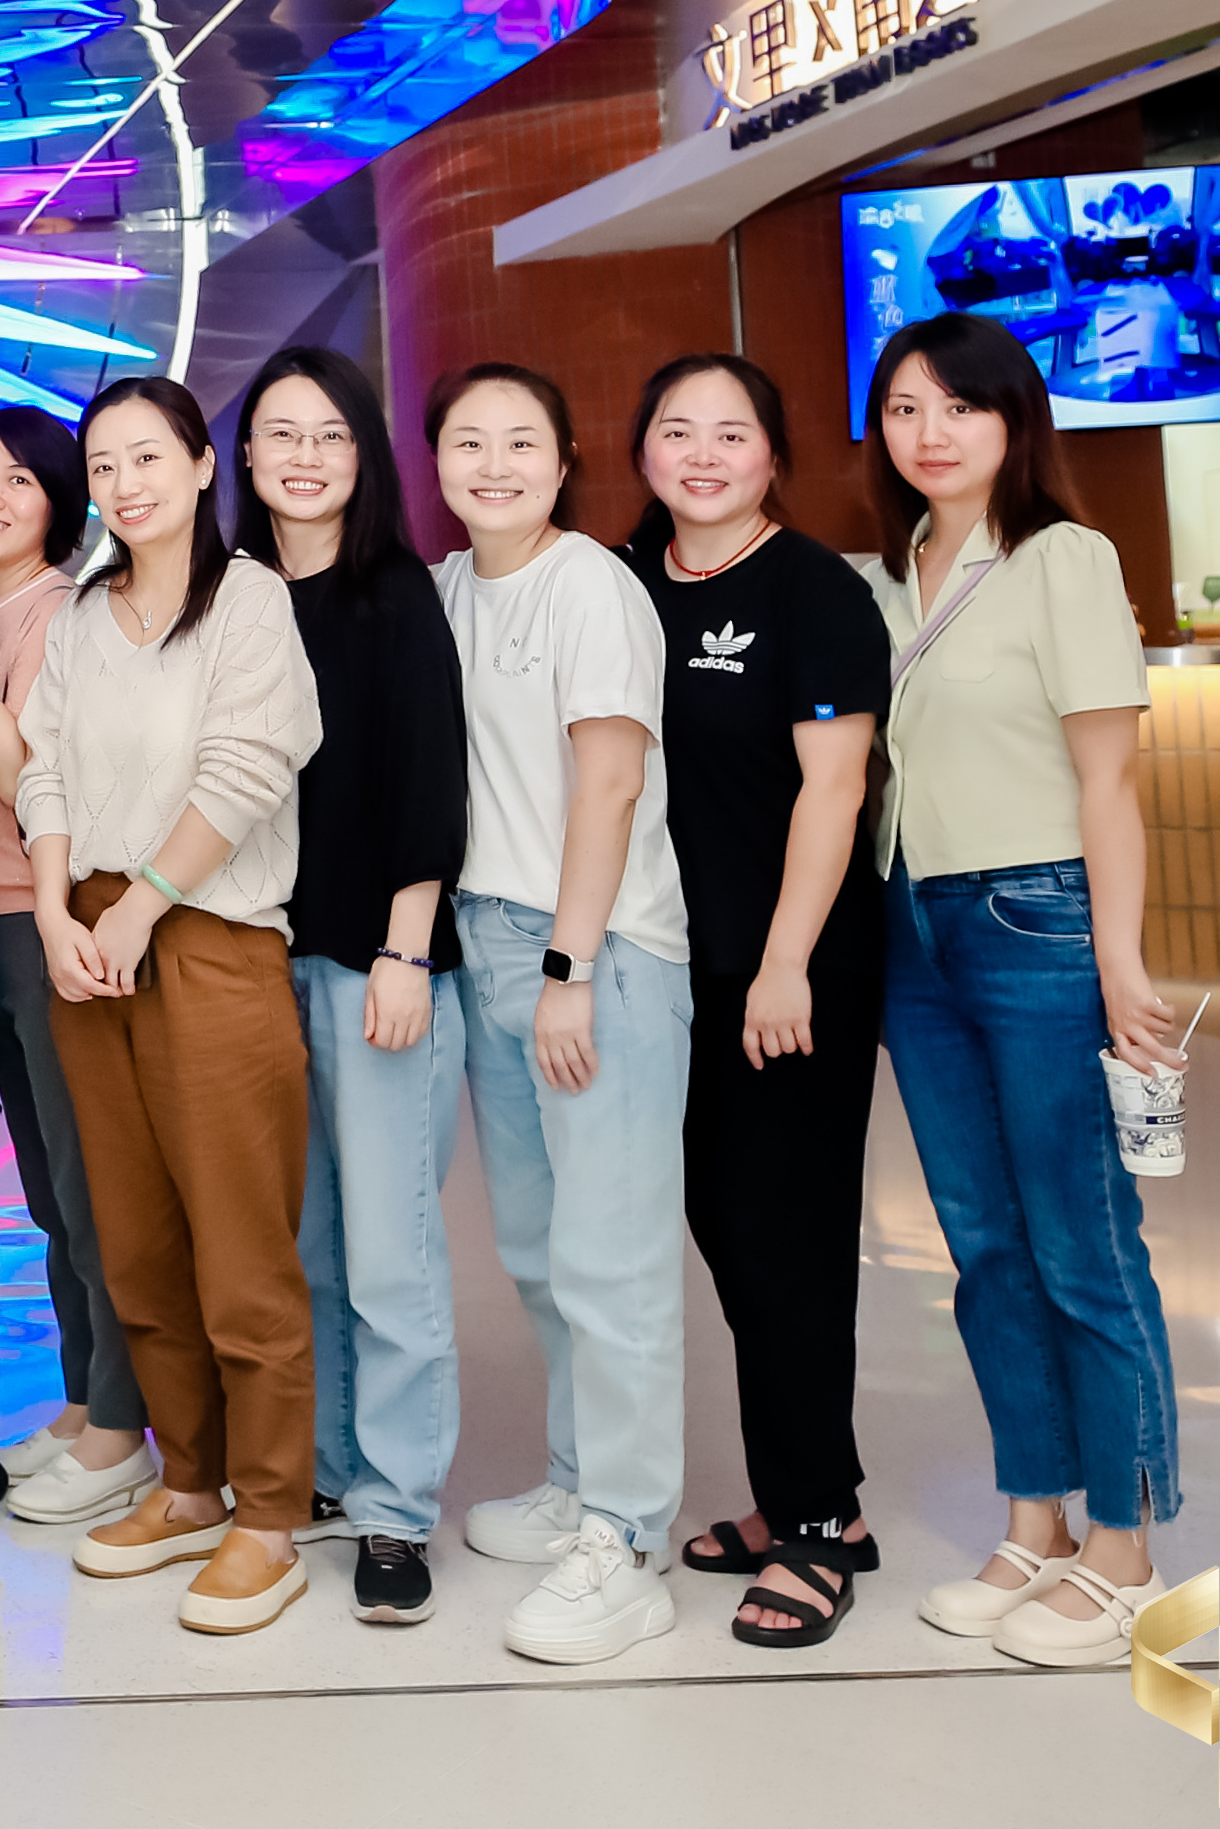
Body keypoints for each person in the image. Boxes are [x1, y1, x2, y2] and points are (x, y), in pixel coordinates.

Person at [860, 313, 1187, 1670]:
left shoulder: (1063, 558)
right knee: (984, 1244)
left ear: (1014, 421)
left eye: (960, 407)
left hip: (1034, 913)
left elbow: (1109, 779)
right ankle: (1035, 1519)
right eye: (903, 408)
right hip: (910, 925)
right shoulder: (887, 575)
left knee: (1080, 1240)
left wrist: (1120, 959)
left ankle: (1126, 1547)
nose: (930, 433)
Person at [17, 376, 323, 1637]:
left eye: (148, 456)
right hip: (89, 943)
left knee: (241, 1247)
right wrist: (54, 912)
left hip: (206, 938)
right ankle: (188, 1484)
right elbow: (42, 768)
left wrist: (140, 906)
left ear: (204, 465)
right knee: (134, 1240)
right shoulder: (85, 615)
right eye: (104, 464)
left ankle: (272, 1514)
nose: (124, 483)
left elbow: (248, 766)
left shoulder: (250, 600)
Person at [617, 356, 889, 1648]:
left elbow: (835, 790)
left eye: (733, 433)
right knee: (728, 1232)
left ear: (775, 456)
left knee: (787, 1244)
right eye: (679, 431)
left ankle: (818, 1524)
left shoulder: (814, 591)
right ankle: (804, 1489)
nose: (704, 455)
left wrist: (785, 961)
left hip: (790, 973)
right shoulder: (623, 582)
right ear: (642, 452)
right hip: (672, 967)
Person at [430, 361, 690, 1666]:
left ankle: (630, 1542)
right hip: (485, 935)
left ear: (566, 457)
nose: (494, 465)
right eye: (468, 442)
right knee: (536, 1248)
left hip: (595, 949)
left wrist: (569, 966)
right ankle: (581, 1482)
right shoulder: (445, 589)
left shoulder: (591, 585)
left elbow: (609, 785)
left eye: (520, 442)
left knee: (612, 1256)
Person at [231, 347, 467, 1630]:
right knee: (304, 1244)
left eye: (331, 433)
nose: (306, 456)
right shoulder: (231, 595)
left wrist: (405, 948)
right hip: (255, 962)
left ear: (364, 453)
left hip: (375, 961)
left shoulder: (394, 592)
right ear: (244, 454)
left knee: (389, 1252)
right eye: (282, 433)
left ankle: (395, 1507)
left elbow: (430, 776)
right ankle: (324, 1465)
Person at [0, 405, 149, 1529]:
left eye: (18, 479)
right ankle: (88, 1396)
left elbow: (28, 776)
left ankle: (125, 1425)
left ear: (61, 501)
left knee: (88, 1177)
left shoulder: (65, 613)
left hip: (45, 918)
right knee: (48, 1182)